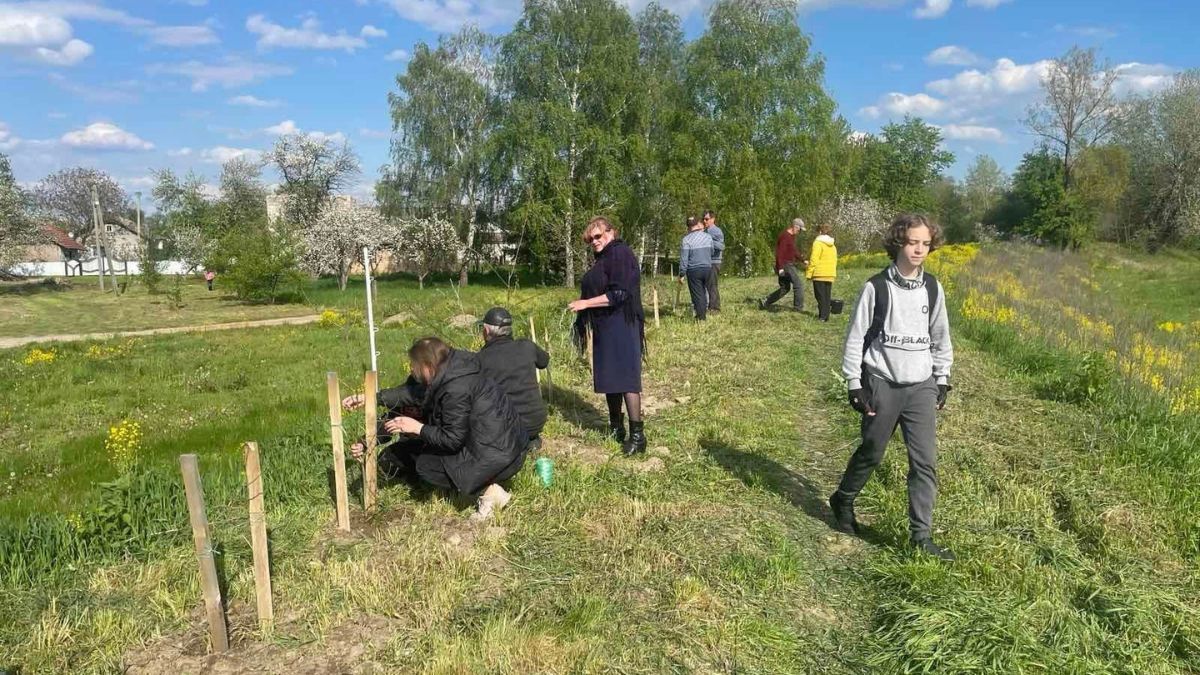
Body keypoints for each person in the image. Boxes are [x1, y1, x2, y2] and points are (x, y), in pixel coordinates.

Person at [829, 213, 956, 561]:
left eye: (926, 244)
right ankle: (844, 498)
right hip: (882, 381)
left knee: (925, 462)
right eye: (913, 242)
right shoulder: (876, 287)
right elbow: (856, 338)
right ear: (898, 242)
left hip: (921, 386)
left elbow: (940, 335)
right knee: (872, 451)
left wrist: (942, 378)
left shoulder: (933, 287)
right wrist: (855, 384)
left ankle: (921, 537)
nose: (919, 250)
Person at [342, 337, 529, 520]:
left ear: (427, 366)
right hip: (509, 445)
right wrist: (370, 403)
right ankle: (482, 479)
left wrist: (418, 428)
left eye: (414, 366)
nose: (412, 370)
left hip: (499, 453)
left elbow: (453, 439)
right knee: (403, 455)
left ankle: (491, 493)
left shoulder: (454, 389)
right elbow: (406, 397)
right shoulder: (454, 370)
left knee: (427, 465)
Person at [568, 216, 647, 455]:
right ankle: (616, 427)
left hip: (622, 325)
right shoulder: (602, 259)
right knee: (611, 377)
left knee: (626, 378)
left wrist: (585, 304)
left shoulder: (620, 253)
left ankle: (638, 436)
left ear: (611, 232)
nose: (594, 241)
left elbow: (619, 293)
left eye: (598, 236)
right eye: (590, 239)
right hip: (606, 326)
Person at [476, 306, 550, 452]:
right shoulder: (527, 346)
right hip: (536, 422)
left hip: (505, 427)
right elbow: (544, 361)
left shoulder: (480, 359)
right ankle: (530, 440)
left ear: (486, 331)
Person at [759, 218, 807, 312]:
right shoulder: (785, 236)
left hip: (786, 264)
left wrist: (803, 260)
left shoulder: (791, 236)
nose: (800, 232)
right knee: (798, 285)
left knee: (785, 288)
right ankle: (798, 308)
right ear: (795, 227)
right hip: (786, 265)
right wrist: (780, 268)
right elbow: (780, 253)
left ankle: (766, 301)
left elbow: (793, 251)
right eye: (800, 230)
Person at [678, 216, 714, 321]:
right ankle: (704, 312)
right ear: (698, 224)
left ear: (688, 227)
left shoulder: (686, 240)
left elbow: (684, 259)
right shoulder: (708, 237)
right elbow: (711, 251)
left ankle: (701, 318)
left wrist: (681, 274)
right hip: (707, 268)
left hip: (694, 270)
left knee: (698, 295)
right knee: (705, 291)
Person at [805, 223, 838, 322]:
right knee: (827, 296)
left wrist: (809, 273)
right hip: (830, 273)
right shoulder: (832, 245)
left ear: (819, 231)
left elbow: (814, 259)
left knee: (820, 296)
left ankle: (822, 317)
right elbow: (835, 259)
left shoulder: (817, 243)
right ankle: (826, 316)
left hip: (819, 273)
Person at [702, 209, 724, 313]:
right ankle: (709, 306)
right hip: (707, 261)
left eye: (707, 219)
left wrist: (707, 239)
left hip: (714, 262)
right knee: (707, 285)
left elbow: (721, 246)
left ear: (713, 219)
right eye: (703, 219)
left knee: (712, 285)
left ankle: (715, 308)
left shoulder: (716, 231)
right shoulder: (706, 231)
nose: (704, 221)